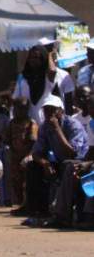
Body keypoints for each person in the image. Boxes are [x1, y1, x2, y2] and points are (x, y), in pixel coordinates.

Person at [21, 94, 88, 224]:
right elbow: (36, 152)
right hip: (59, 161)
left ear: (61, 111)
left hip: (79, 162)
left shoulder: (73, 125)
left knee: (68, 164)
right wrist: (45, 163)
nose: (48, 113)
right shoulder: (45, 127)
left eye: (52, 110)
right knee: (33, 166)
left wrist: (57, 129)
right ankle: (38, 212)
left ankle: (62, 215)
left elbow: (72, 153)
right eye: (46, 110)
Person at [48, 84, 94, 227]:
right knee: (71, 167)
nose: (90, 109)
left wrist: (87, 164)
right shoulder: (93, 123)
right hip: (91, 161)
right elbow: (92, 151)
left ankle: (89, 216)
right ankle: (62, 215)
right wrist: (81, 164)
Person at [14, 44, 74, 125]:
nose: (32, 60)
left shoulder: (48, 77)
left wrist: (49, 54)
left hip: (49, 124)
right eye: (30, 57)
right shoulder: (23, 77)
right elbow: (16, 99)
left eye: (36, 58)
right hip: (30, 125)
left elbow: (52, 71)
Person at [4, 97, 38, 208]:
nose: (20, 111)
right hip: (15, 157)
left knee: (26, 182)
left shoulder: (31, 123)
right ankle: (19, 204)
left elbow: (33, 141)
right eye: (18, 108)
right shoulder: (12, 123)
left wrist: (29, 156)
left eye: (23, 108)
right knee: (16, 181)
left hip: (27, 157)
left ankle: (27, 204)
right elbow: (7, 139)